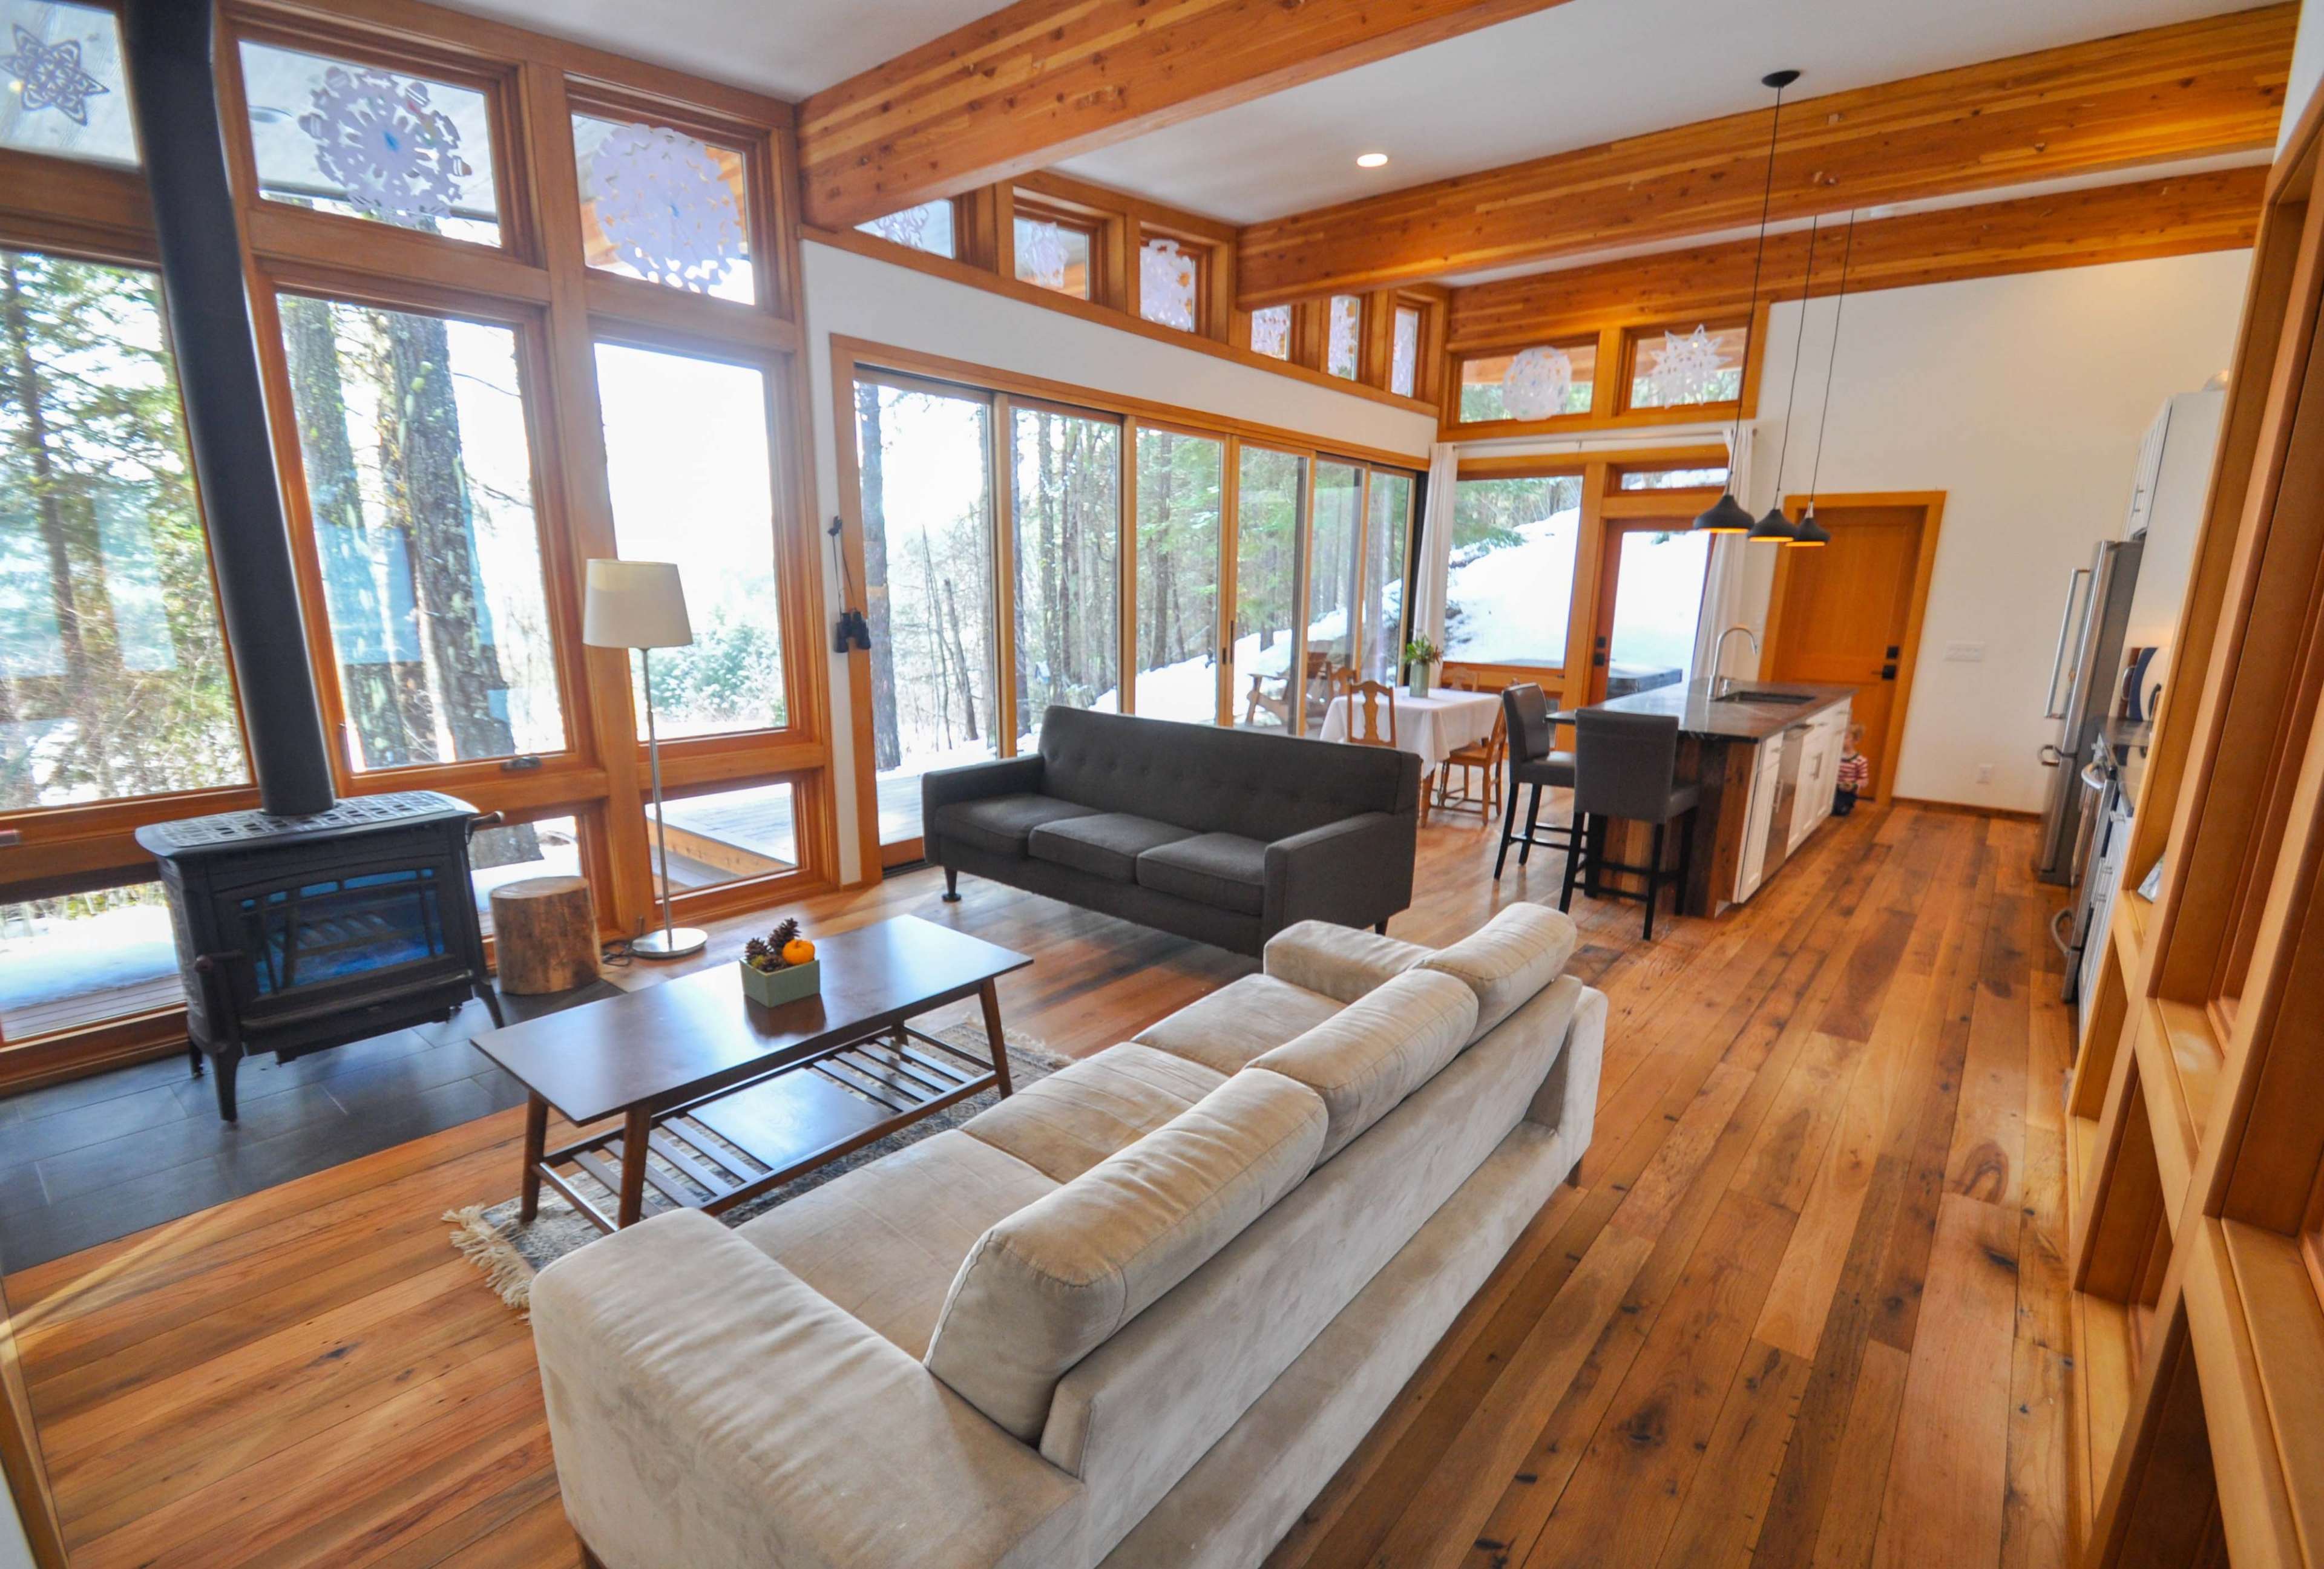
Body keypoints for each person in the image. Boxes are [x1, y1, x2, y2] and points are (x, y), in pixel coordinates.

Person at [1834, 723, 1870, 816]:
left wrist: (1854, 785)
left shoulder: (1860, 760)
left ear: (1856, 740)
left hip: (1847, 792)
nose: (1842, 740)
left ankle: (1846, 806)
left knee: (1838, 810)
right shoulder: (1834, 756)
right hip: (1832, 788)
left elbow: (1864, 780)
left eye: (1845, 738)